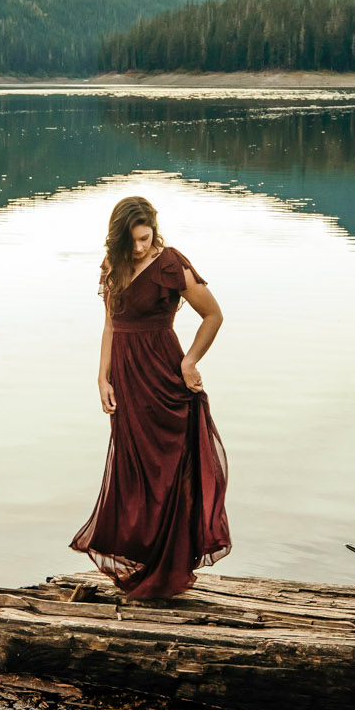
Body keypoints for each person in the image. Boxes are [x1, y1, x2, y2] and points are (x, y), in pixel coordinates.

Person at [70, 195, 230, 599]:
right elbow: (111, 324)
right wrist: (102, 377)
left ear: (154, 230)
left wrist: (191, 361)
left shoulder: (172, 264)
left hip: (164, 378)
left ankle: (168, 568)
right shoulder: (113, 265)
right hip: (126, 380)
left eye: (145, 238)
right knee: (133, 473)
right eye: (132, 241)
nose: (140, 247)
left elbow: (213, 315)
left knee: (170, 473)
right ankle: (142, 560)